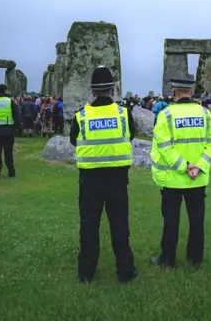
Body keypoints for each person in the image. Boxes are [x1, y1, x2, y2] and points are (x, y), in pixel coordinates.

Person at [70, 66, 138, 284]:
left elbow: (74, 140)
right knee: (119, 225)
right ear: (113, 91)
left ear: (92, 92)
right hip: (117, 178)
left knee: (89, 225)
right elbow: (131, 135)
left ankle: (86, 272)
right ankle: (125, 271)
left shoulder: (80, 115)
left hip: (89, 179)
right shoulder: (123, 113)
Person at [149, 78, 211, 268]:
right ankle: (195, 258)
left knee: (171, 221)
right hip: (197, 179)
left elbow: (164, 147)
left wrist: (184, 166)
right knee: (197, 220)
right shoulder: (205, 114)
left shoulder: (165, 115)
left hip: (173, 178)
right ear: (191, 92)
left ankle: (167, 259)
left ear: (173, 93)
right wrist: (198, 166)